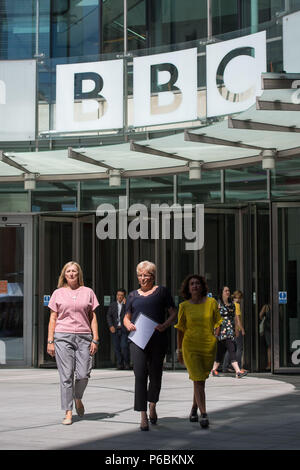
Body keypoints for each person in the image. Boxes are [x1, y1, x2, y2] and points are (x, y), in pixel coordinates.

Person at [123, 260, 177, 432]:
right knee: (140, 375)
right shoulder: (132, 295)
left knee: (155, 374)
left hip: (157, 339)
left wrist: (165, 325)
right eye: (140, 275)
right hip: (138, 340)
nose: (143, 278)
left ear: (153, 276)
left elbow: (174, 313)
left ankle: (152, 404)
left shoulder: (162, 292)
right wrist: (127, 324)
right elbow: (126, 316)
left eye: (146, 275)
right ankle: (143, 415)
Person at [47, 261, 99, 425]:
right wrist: (50, 341)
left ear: (79, 274)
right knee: (66, 376)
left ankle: (78, 397)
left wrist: (95, 339)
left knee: (83, 374)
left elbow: (93, 317)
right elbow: (53, 318)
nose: (71, 274)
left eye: (74, 271)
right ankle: (68, 412)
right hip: (62, 336)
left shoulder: (88, 292)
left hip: (84, 336)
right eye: (68, 271)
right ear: (64, 274)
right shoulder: (58, 293)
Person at [175, 275, 223, 428]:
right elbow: (180, 330)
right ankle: (204, 414)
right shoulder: (184, 306)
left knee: (200, 380)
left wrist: (215, 337)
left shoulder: (211, 302)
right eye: (191, 284)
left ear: (202, 286)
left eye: (197, 283)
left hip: (208, 346)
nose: (194, 286)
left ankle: (194, 409)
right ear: (188, 288)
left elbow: (218, 321)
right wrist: (179, 350)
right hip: (191, 346)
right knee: (197, 379)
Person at [211, 286, 247, 379]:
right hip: (222, 331)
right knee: (231, 349)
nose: (228, 292)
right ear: (222, 293)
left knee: (220, 351)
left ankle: (214, 369)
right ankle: (238, 371)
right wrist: (214, 330)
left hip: (230, 330)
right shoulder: (217, 304)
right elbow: (213, 317)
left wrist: (236, 329)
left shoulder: (232, 304)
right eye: (225, 290)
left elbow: (235, 318)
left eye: (228, 290)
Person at [222, 290, 246, 373]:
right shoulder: (237, 305)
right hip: (236, 329)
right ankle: (238, 367)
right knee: (239, 349)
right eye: (241, 298)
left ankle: (225, 366)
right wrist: (242, 329)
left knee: (230, 348)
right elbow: (237, 319)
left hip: (230, 328)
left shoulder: (230, 304)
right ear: (239, 297)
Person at [107, 288, 130, 370]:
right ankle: (120, 364)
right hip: (115, 329)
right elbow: (109, 316)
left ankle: (127, 363)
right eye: (118, 295)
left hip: (124, 329)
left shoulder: (126, 305)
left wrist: (125, 305)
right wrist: (110, 326)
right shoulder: (112, 305)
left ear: (124, 296)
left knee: (124, 346)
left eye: (121, 295)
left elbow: (129, 314)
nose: (119, 297)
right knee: (117, 347)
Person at [259, 303, 271, 371]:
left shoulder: (266, 307)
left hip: (268, 328)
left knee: (269, 347)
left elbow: (260, 315)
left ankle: (270, 364)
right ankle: (270, 364)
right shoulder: (266, 306)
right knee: (270, 346)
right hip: (269, 329)